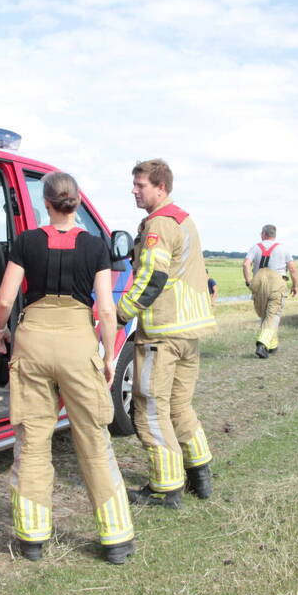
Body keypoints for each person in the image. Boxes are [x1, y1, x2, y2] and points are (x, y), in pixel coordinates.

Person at [0, 171, 134, 564]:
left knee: (33, 441)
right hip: (77, 344)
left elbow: (5, 299)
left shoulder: (25, 242)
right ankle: (116, 539)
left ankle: (32, 539)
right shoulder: (95, 246)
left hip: (33, 342)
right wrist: (108, 357)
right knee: (93, 440)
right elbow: (105, 309)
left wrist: (1, 330)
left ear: (47, 202)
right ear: (76, 201)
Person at [117, 159, 216, 508]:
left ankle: (165, 487)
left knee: (149, 409)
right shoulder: (184, 220)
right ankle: (200, 474)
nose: (134, 189)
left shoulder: (158, 223)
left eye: (140, 184)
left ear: (160, 187)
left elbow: (151, 277)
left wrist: (121, 312)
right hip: (189, 333)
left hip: (161, 335)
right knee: (179, 406)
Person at [242, 225, 298, 358]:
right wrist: (295, 285)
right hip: (276, 283)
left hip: (258, 283)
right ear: (274, 235)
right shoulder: (283, 248)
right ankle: (262, 344)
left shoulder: (255, 247)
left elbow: (245, 264)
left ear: (263, 234)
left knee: (265, 314)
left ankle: (272, 345)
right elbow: (293, 269)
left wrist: (248, 281)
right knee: (273, 314)